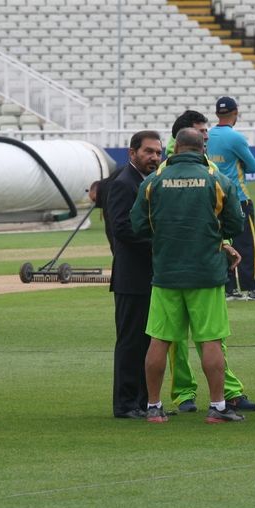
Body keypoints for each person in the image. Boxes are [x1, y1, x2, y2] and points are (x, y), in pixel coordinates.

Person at [130, 128, 246, 423]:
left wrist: (163, 238)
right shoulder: (216, 180)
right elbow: (236, 223)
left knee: (160, 340)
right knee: (210, 340)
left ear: (176, 148)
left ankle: (154, 407)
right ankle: (218, 407)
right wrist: (214, 237)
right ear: (201, 148)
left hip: (167, 272)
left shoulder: (154, 181)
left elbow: (138, 224)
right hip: (206, 272)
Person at [160, 110, 255, 413]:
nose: (207, 136)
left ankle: (220, 391)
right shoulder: (171, 170)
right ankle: (188, 393)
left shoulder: (197, 168)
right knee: (182, 338)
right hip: (192, 265)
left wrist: (225, 243)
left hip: (188, 263)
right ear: (184, 137)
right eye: (201, 131)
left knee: (205, 336)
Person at [105, 130, 163, 418]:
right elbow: (121, 228)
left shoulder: (147, 182)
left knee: (146, 341)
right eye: (148, 152)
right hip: (132, 278)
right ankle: (126, 403)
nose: (154, 157)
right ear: (132, 153)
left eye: (157, 152)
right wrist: (159, 246)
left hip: (148, 276)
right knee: (130, 342)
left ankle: (143, 400)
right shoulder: (124, 183)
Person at [207, 96, 255, 301]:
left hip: (217, 196)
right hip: (239, 197)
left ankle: (229, 289)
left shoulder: (208, 136)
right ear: (236, 113)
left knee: (223, 242)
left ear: (217, 114)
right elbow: (252, 166)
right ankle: (253, 288)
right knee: (247, 245)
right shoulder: (236, 138)